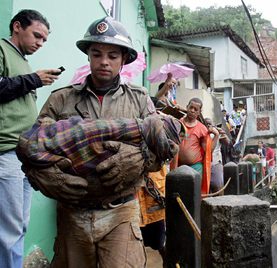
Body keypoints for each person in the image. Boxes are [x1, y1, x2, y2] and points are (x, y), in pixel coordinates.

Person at [21, 17, 155, 267]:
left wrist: (141, 158)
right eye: (97, 54)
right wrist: (47, 177)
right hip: (72, 213)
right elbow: (31, 147)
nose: (104, 61)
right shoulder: (61, 99)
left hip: (121, 212)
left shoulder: (139, 99)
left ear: (124, 60)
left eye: (113, 55)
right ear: (88, 56)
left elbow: (163, 145)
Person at [0, 9, 59, 268]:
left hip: (23, 154)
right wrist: (33, 79)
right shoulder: (2, 50)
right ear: (16, 27)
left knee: (19, 226)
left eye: (44, 40)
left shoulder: (22, 60)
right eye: (37, 35)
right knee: (9, 230)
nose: (40, 43)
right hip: (5, 152)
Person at [174, 98, 219, 193]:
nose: (192, 111)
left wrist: (216, 135)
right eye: (191, 107)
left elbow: (208, 150)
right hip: (179, 167)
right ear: (187, 107)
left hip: (195, 168)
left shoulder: (202, 129)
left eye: (196, 109)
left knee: (194, 195)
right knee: (179, 194)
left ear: (199, 112)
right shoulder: (177, 124)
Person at [204, 117, 229, 194]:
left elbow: (227, 142)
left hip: (215, 162)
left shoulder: (217, 132)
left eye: (209, 124)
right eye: (206, 124)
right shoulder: (201, 132)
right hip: (203, 164)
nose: (208, 126)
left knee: (218, 185)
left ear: (213, 125)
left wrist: (222, 134)